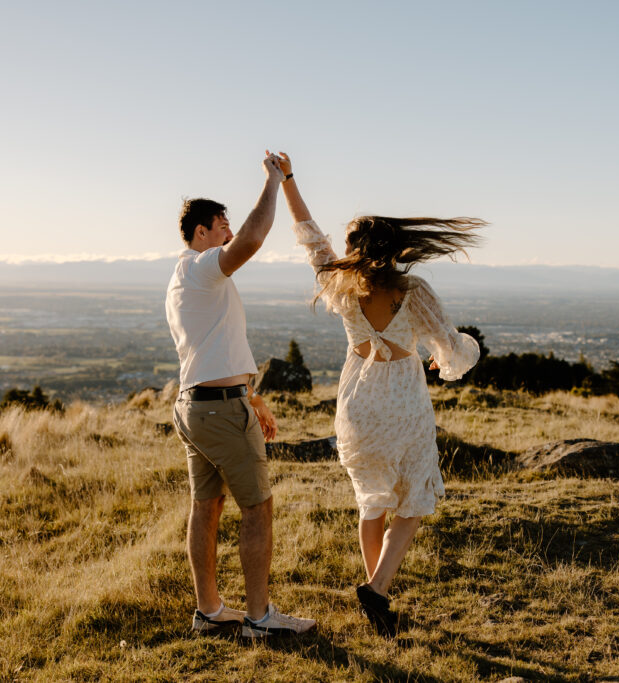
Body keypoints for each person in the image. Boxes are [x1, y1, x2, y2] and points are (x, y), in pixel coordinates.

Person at [277, 152, 483, 636]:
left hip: (358, 402)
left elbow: (308, 232)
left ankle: (378, 597)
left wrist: (287, 179)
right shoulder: (413, 291)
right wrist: (454, 355)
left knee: (371, 502)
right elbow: (451, 347)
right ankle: (377, 589)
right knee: (412, 501)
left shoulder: (339, 286)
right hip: (404, 403)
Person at [166, 152, 315, 639]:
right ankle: (260, 619)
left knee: (206, 505)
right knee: (258, 507)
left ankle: (209, 611)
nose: (230, 231)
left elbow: (216, 351)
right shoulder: (201, 267)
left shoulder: (188, 278)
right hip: (218, 411)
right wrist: (274, 182)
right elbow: (254, 237)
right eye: (222, 224)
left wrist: (252, 397)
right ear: (202, 232)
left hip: (200, 406)